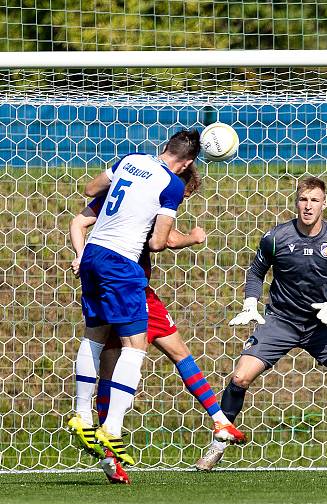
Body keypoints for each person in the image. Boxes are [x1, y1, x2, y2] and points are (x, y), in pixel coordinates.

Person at [196, 177, 327, 472]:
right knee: (240, 378)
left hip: (320, 324)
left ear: (324, 203)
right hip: (280, 321)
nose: (308, 206)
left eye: (314, 200)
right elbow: (256, 272)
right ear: (296, 202)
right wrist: (251, 303)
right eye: (303, 200)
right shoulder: (276, 237)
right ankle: (218, 444)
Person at [68, 164, 246, 483]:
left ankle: (104, 445)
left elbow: (79, 221)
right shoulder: (156, 197)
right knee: (174, 354)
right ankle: (219, 422)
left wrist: (81, 255)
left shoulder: (118, 194)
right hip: (131, 290)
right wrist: (193, 237)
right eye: (184, 197)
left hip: (103, 276)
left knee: (110, 365)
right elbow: (162, 239)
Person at [66, 129, 198, 467]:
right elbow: (156, 242)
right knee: (134, 346)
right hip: (121, 263)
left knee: (94, 334)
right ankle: (111, 427)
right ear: (185, 164)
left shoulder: (131, 160)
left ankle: (82, 415)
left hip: (93, 253)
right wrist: (192, 237)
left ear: (164, 147)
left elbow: (90, 190)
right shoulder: (173, 185)